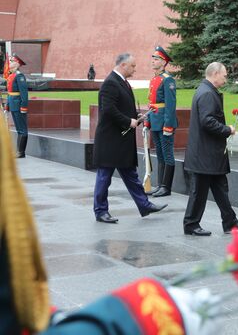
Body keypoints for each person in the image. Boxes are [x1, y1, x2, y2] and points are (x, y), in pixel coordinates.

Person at [0, 115, 219, 335]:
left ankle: (140, 205)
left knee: (124, 176)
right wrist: (132, 320)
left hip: (119, 143)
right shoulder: (112, 84)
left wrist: (54, 319)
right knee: (108, 177)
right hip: (114, 142)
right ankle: (107, 208)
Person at [92, 53, 167, 223]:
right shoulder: (110, 83)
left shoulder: (121, 82)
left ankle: (144, 205)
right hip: (110, 141)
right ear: (123, 65)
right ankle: (100, 211)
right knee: (104, 176)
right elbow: (108, 110)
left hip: (121, 140)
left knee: (131, 175)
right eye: (133, 66)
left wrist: (136, 116)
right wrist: (128, 121)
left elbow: (120, 107)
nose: (135, 69)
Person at [183, 62, 238, 236]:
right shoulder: (206, 93)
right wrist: (227, 129)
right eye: (224, 75)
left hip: (209, 153)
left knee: (220, 188)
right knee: (199, 191)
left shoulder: (206, 91)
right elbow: (207, 121)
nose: (225, 78)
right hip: (205, 154)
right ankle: (191, 225)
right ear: (214, 74)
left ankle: (230, 222)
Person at [143, 46, 178, 197]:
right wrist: (147, 121)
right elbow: (152, 103)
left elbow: (170, 105)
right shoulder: (154, 79)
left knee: (167, 154)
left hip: (164, 122)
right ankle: (160, 185)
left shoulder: (167, 79)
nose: (153, 61)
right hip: (155, 120)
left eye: (156, 59)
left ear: (163, 63)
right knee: (160, 154)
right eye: (153, 59)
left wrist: (168, 125)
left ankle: (166, 187)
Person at [6, 53, 29, 158]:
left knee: (22, 129)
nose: (9, 63)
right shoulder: (12, 75)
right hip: (13, 104)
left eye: (12, 61)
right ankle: (18, 151)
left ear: (17, 64)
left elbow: (24, 93)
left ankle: (21, 152)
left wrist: (24, 106)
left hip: (19, 105)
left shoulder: (19, 76)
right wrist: (7, 105)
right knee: (18, 129)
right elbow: (9, 92)